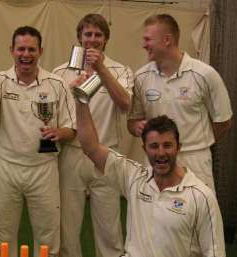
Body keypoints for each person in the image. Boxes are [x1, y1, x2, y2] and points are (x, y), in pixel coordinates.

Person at [0, 26, 76, 257]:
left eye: (31, 49)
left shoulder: (56, 84)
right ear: (12, 51)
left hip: (43, 169)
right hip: (7, 168)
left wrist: (59, 133)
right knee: (3, 234)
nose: (26, 54)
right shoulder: (0, 80)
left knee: (47, 236)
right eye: (21, 49)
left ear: (40, 51)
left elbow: (72, 128)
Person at [73, 87, 226, 257]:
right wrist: (81, 100)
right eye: (154, 146)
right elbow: (91, 148)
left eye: (167, 145)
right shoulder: (134, 178)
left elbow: (215, 253)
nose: (161, 153)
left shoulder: (200, 196)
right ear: (144, 149)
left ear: (178, 148)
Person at [52, 13, 133, 257]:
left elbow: (126, 104)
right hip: (72, 153)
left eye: (99, 35)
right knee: (68, 226)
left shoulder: (121, 70)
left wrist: (101, 68)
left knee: (109, 228)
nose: (93, 39)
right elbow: (52, 112)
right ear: (79, 38)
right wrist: (70, 88)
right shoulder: (60, 71)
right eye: (88, 34)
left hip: (106, 154)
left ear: (106, 40)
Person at [128, 14, 233, 192]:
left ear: (167, 39)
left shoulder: (205, 74)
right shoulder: (141, 77)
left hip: (195, 161)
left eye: (148, 39)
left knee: (199, 217)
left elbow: (223, 121)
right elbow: (131, 122)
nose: (144, 45)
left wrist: (198, 142)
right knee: (157, 217)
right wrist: (136, 126)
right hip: (156, 162)